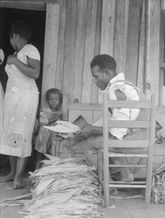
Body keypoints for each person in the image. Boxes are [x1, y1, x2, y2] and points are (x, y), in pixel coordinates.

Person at [63, 54, 143, 182]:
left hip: (133, 139)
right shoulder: (123, 85)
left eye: (96, 76)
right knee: (100, 139)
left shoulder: (115, 90)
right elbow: (111, 119)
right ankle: (125, 175)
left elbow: (118, 129)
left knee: (88, 145)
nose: (95, 80)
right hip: (139, 137)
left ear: (107, 73)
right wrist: (90, 129)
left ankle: (107, 184)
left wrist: (92, 130)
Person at [0, 20, 40, 188]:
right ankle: (11, 172)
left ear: (15, 35)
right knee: (11, 134)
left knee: (22, 135)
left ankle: (18, 177)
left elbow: (35, 73)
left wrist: (15, 62)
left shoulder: (30, 50)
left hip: (25, 98)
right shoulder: (17, 52)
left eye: (11, 38)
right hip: (13, 99)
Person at [35, 88, 63, 169]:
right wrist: (55, 119)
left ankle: (46, 171)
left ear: (59, 100)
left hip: (53, 137)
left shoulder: (60, 112)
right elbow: (43, 121)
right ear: (47, 100)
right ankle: (36, 170)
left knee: (50, 155)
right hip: (44, 136)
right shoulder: (44, 110)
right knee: (40, 155)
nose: (54, 101)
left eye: (56, 99)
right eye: (51, 99)